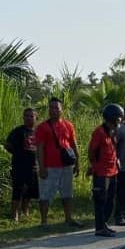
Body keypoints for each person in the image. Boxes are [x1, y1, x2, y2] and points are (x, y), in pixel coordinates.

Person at [33, 98, 84, 228]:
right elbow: (39, 149)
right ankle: (44, 221)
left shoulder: (68, 125)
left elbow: (73, 144)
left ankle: (68, 218)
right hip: (50, 166)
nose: (53, 110)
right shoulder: (42, 127)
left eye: (56, 107)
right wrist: (42, 167)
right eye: (51, 108)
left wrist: (77, 162)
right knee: (45, 194)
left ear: (62, 109)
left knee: (67, 193)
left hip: (66, 165)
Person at [89, 104, 123, 237]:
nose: (120, 121)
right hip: (101, 172)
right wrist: (94, 166)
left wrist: (117, 161)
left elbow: (113, 149)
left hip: (113, 170)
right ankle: (99, 228)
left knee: (110, 200)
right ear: (112, 118)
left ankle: (104, 223)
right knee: (100, 200)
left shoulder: (113, 131)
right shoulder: (99, 132)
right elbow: (91, 151)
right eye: (119, 118)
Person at [4, 107, 40, 223]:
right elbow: (7, 145)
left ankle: (25, 212)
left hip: (33, 167)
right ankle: (14, 215)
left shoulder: (38, 132)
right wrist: (18, 154)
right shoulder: (18, 131)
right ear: (23, 117)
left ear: (36, 118)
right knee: (17, 191)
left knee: (29, 191)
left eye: (31, 116)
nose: (28, 118)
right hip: (19, 167)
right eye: (26, 116)